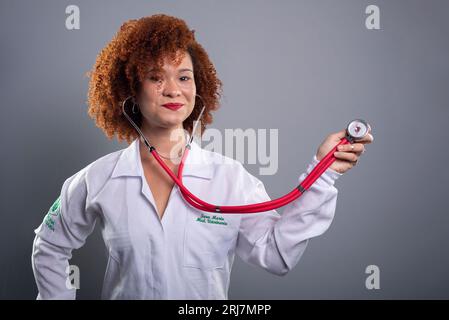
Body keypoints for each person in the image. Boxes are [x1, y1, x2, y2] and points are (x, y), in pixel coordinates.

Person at [31, 14, 373, 300]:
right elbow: (49, 245)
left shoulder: (230, 178)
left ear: (199, 87)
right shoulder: (96, 179)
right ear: (130, 91)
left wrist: (324, 173)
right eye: (155, 77)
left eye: (184, 77)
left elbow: (276, 255)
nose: (173, 90)